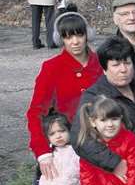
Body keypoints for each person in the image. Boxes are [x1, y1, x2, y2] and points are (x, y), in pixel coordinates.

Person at [73, 37, 135, 178]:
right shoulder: (94, 96)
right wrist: (114, 163)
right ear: (104, 69)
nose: (123, 70)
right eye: (116, 65)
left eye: (127, 63)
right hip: (117, 180)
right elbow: (80, 139)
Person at [27, 10, 103, 175]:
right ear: (60, 39)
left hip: (104, 144)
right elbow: (36, 112)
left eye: (79, 35)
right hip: (68, 149)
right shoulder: (52, 68)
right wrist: (42, 152)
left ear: (87, 35)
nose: (75, 42)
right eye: (68, 37)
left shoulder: (102, 63)